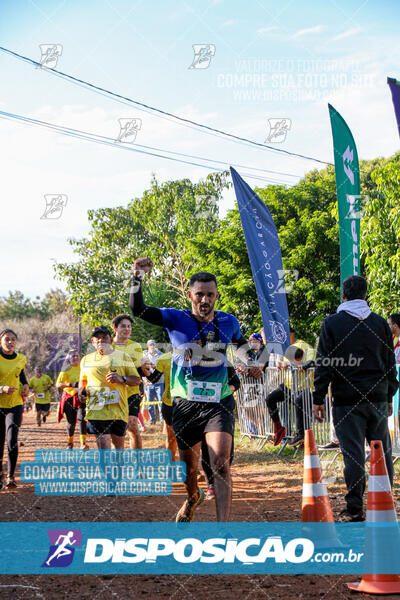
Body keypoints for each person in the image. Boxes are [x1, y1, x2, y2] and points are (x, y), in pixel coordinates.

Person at [130, 257, 259, 522]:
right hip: (185, 404)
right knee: (189, 469)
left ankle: (223, 528)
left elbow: (244, 349)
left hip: (219, 402)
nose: (205, 299)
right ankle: (192, 497)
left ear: (217, 296)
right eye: (199, 294)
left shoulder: (229, 322)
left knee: (220, 463)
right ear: (190, 295)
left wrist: (256, 363)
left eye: (210, 295)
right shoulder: (175, 319)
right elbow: (138, 309)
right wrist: (137, 277)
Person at [313, 275, 398, 522]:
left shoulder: (332, 324)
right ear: (365, 294)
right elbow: (389, 363)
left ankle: (354, 508)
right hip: (377, 398)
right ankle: (384, 503)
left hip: (346, 400)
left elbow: (324, 363)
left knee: (353, 455)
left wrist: (319, 397)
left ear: (343, 295)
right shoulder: (381, 324)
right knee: (382, 452)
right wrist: (390, 393)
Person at [78, 326, 140, 450]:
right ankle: (105, 470)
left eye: (104, 338)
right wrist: (81, 392)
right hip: (97, 411)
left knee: (118, 449)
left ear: (111, 340)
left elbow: (137, 380)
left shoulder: (123, 356)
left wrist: (122, 379)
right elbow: (82, 382)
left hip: (118, 411)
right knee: (103, 446)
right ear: (93, 342)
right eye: (97, 338)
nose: (101, 341)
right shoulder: (86, 360)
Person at [265, 329, 315, 446]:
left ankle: (300, 435)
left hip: (304, 386)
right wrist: (280, 364)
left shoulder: (304, 345)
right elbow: (280, 363)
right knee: (270, 398)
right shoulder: (284, 348)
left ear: (289, 334)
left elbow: (312, 361)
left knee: (298, 402)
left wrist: (302, 365)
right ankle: (279, 427)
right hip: (289, 385)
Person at [0, 329, 29, 489]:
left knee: (12, 439)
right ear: (1, 342)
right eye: (7, 340)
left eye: (13, 340)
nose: (10, 342)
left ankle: (11, 477)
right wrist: (1, 388)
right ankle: (0, 475)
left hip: (15, 404)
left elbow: (21, 374)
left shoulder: (21, 359)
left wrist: (25, 385)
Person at [111, 314, 143, 449]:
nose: (127, 329)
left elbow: (138, 370)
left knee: (132, 425)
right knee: (116, 431)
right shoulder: (108, 346)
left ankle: (137, 466)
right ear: (115, 328)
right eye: (123, 326)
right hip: (113, 392)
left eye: (129, 326)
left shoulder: (135, 346)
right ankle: (117, 464)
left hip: (132, 391)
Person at [140, 350, 177, 460]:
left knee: (191, 437)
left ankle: (191, 468)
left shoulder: (197, 356)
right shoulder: (165, 358)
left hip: (191, 402)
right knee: (172, 436)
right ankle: (171, 463)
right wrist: (144, 369)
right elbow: (155, 379)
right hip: (169, 402)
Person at [56, 351, 87, 449]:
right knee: (71, 423)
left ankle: (83, 444)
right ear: (69, 358)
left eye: (77, 355)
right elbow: (58, 384)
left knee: (82, 419)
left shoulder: (84, 368)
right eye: (73, 356)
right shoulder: (66, 369)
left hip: (81, 397)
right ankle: (70, 443)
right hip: (69, 398)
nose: (76, 357)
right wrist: (71, 385)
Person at [143, 340, 163, 424]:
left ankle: (162, 420)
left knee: (161, 402)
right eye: (150, 345)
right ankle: (152, 420)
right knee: (150, 403)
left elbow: (163, 367)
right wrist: (145, 380)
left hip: (160, 381)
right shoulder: (144, 355)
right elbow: (142, 368)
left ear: (155, 345)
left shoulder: (160, 355)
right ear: (147, 346)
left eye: (153, 345)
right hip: (149, 383)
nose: (152, 346)